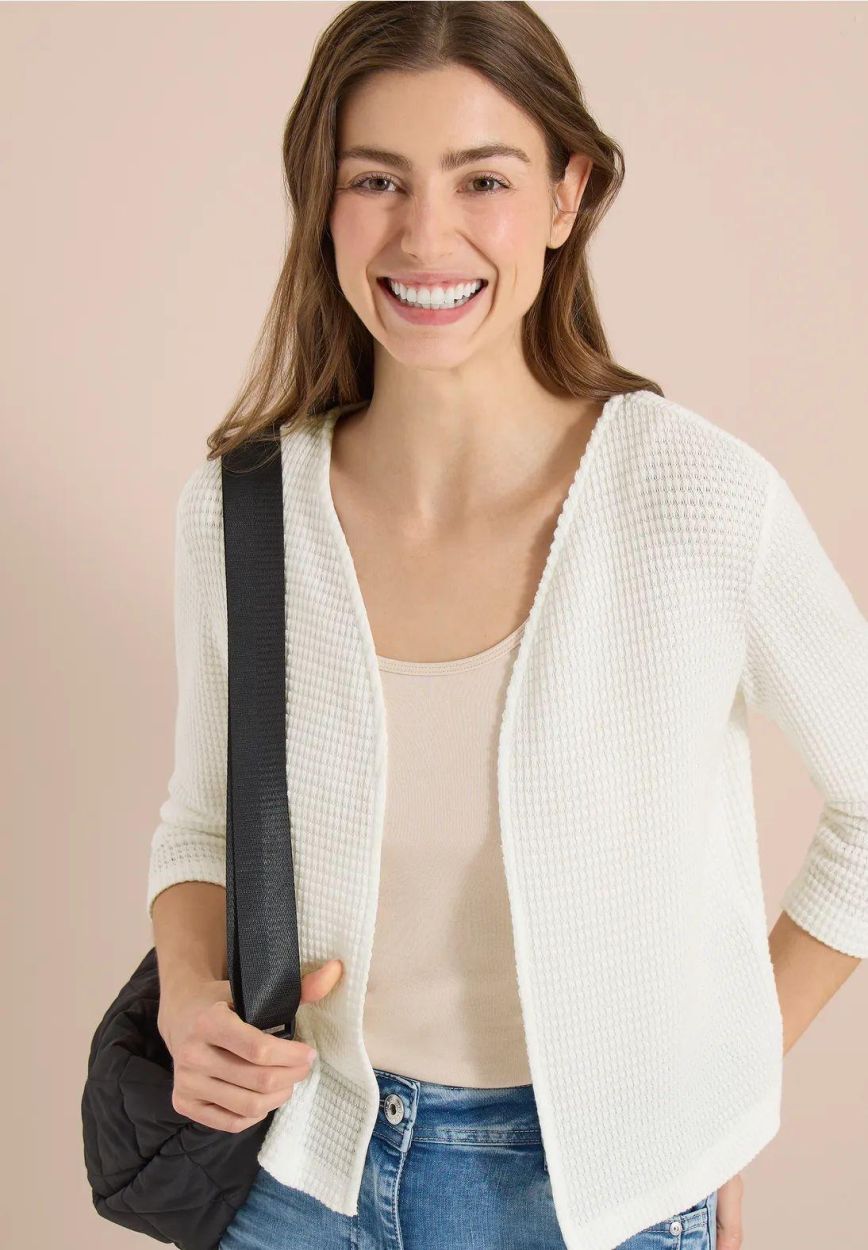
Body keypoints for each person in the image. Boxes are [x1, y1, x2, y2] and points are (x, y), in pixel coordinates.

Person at [148, 5, 867, 1250]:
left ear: (565, 195)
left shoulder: (695, 498)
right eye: (376, 179)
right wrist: (185, 996)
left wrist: (707, 1095)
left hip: (592, 1205)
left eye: (481, 178)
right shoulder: (242, 509)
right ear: (322, 200)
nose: (424, 235)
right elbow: (203, 821)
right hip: (298, 1177)